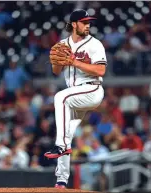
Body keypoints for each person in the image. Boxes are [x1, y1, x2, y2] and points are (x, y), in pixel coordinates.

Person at [44, 9, 107, 188]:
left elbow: (101, 70)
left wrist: (75, 62)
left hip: (92, 89)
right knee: (66, 133)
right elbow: (56, 72)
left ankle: (60, 146)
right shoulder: (63, 44)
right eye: (84, 22)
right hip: (74, 95)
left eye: (89, 22)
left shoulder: (95, 44)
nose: (88, 25)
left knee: (60, 97)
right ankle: (61, 181)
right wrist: (57, 61)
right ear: (74, 24)